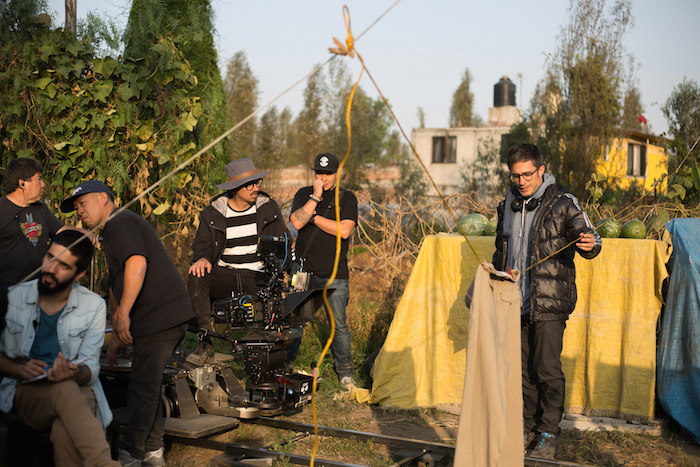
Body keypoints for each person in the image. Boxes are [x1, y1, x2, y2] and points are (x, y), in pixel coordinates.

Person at [61, 180, 194, 466]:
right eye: (76, 207)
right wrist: (118, 331)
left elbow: (137, 264)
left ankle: (133, 451)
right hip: (157, 317)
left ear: (103, 198)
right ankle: (152, 451)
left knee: (143, 385)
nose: (79, 211)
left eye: (83, 203)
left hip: (161, 315)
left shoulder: (120, 222)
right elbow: (115, 282)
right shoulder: (111, 231)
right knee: (145, 383)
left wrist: (123, 314)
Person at [493, 143, 601, 460]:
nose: (522, 181)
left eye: (528, 174)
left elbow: (592, 241)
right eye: (516, 176)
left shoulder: (564, 202)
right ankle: (528, 428)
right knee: (522, 370)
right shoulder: (509, 203)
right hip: (515, 301)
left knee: (547, 369)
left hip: (550, 302)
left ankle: (549, 434)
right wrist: (499, 275)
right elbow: (501, 249)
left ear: (541, 169)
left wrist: (590, 244)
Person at [0, 230, 118, 466]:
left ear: (79, 274)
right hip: (26, 391)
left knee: (65, 425)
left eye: (63, 265)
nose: (51, 269)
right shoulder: (14, 297)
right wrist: (19, 369)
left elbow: (90, 365)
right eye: (49, 257)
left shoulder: (93, 305)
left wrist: (74, 372)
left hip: (76, 391)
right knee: (65, 391)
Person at [186, 158, 290, 364]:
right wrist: (202, 258)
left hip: (258, 274)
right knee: (196, 274)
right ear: (234, 187)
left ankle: (270, 356)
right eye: (249, 184)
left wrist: (282, 269)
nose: (255, 187)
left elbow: (284, 242)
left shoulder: (268, 208)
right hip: (225, 273)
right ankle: (205, 340)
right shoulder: (213, 212)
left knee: (276, 294)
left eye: (257, 182)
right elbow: (203, 244)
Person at [289, 153, 358, 388]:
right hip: (302, 271)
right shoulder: (304, 194)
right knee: (294, 321)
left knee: (338, 325)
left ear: (337, 173)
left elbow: (344, 230)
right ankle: (285, 366)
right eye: (319, 173)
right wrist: (315, 197)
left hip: (334, 273)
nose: (323, 177)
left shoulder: (347, 198)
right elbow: (297, 222)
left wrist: (314, 218)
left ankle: (345, 374)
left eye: (328, 173)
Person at [0, 158, 65, 285]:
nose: (43, 184)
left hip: (40, 289)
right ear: (22, 183)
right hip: (8, 291)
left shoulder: (41, 209)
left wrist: (84, 234)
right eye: (39, 179)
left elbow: (62, 231)